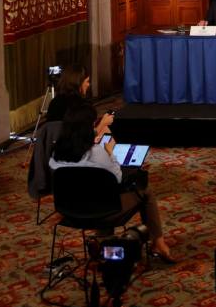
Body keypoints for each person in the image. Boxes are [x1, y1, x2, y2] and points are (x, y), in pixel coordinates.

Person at [49, 102, 175, 262]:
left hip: (68, 211)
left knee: (98, 194)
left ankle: (103, 245)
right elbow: (117, 178)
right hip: (101, 211)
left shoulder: (56, 153)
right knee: (144, 191)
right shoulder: (97, 153)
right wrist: (110, 155)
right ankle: (158, 243)